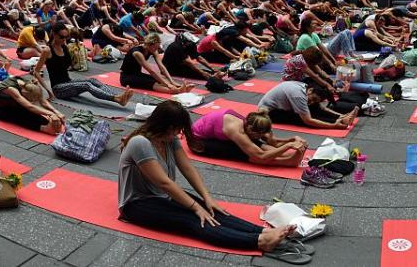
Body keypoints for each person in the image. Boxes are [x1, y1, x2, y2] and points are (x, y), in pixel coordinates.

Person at [117, 101, 306, 261]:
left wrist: (207, 199)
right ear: (164, 126)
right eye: (176, 129)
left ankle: (262, 232)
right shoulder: (140, 143)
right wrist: (195, 207)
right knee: (194, 220)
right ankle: (260, 241)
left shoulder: (169, 139)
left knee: (214, 210)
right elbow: (164, 183)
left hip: (162, 197)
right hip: (137, 204)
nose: (178, 133)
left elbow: (188, 169)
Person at [43, 22, 133, 105]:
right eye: (61, 37)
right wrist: (49, 92)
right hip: (58, 89)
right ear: (54, 34)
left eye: (66, 37)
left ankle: (119, 96)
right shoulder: (48, 50)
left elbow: (69, 65)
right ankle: (116, 99)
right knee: (87, 85)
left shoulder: (64, 48)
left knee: (92, 80)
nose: (64, 40)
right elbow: (36, 72)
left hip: (67, 82)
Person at [190, 108, 307, 167]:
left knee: (256, 143)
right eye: (258, 134)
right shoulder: (236, 130)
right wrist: (289, 145)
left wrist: (291, 139)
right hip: (198, 142)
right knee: (244, 151)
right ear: (249, 128)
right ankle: (287, 162)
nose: (260, 137)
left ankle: (289, 158)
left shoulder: (253, 122)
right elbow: (261, 156)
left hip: (218, 135)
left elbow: (274, 143)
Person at [257, 80, 356, 130]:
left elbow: (321, 107)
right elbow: (308, 121)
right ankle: (340, 122)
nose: (311, 102)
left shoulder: (305, 88)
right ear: (311, 90)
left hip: (280, 107)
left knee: (314, 108)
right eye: (313, 99)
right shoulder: (298, 95)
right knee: (302, 117)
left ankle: (342, 119)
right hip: (269, 113)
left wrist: (339, 115)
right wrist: (333, 125)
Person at [0, 75, 65, 134]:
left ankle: (49, 125)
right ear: (24, 94)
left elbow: (42, 101)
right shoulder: (11, 89)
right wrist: (51, 113)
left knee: (36, 115)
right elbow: (30, 106)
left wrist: (56, 112)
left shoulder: (30, 85)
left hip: (13, 104)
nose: (32, 102)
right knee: (18, 115)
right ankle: (44, 128)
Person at [120, 33, 193, 93]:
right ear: (149, 45)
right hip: (127, 77)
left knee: (162, 79)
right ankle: (178, 91)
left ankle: (179, 88)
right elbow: (151, 71)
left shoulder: (152, 49)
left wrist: (171, 81)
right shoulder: (137, 53)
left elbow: (162, 67)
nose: (156, 50)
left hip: (137, 74)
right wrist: (167, 85)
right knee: (153, 83)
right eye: (155, 48)